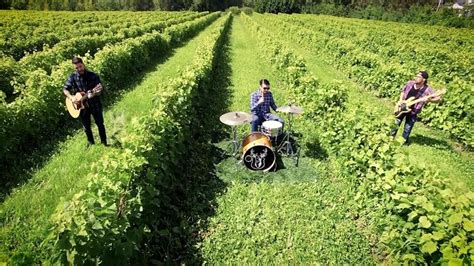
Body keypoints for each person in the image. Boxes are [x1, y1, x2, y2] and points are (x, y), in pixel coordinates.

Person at [63, 57, 107, 146]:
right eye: (77, 68)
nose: (79, 69)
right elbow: (65, 90)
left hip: (95, 104)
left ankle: (104, 143)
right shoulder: (72, 77)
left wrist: (94, 93)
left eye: (80, 66)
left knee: (100, 124)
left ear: (83, 64)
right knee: (86, 127)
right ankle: (91, 143)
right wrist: (71, 98)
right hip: (82, 107)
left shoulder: (93, 76)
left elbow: (99, 90)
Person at [390, 71, 442, 144]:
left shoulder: (427, 89)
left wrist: (430, 100)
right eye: (416, 76)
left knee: (407, 128)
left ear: (424, 79)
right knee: (396, 123)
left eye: (418, 77)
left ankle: (403, 141)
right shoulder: (410, 83)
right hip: (402, 107)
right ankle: (391, 138)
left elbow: (438, 99)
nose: (416, 78)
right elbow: (403, 91)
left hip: (413, 111)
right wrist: (400, 101)